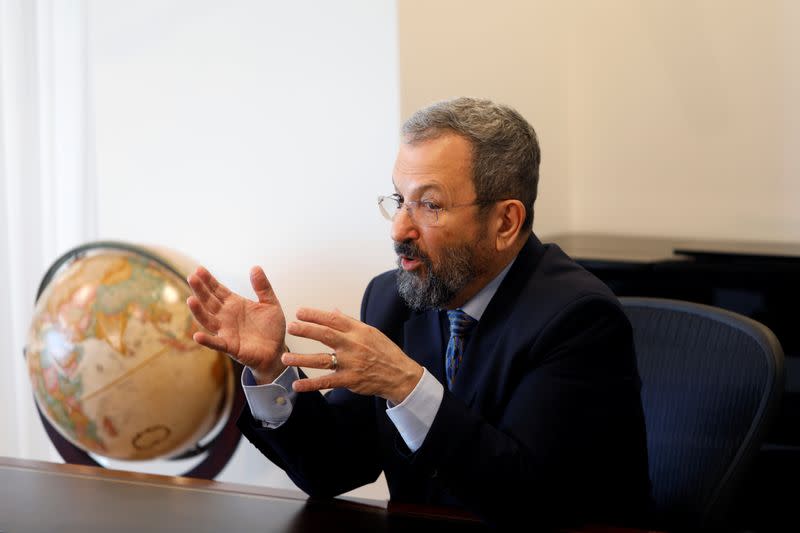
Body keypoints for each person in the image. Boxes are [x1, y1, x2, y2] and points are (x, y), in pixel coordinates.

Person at [186, 97, 652, 530]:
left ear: (505, 222)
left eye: (429, 204)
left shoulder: (578, 319)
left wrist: (407, 387)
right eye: (398, 200)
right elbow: (333, 469)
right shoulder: (393, 298)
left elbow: (528, 503)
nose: (399, 228)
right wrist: (271, 368)